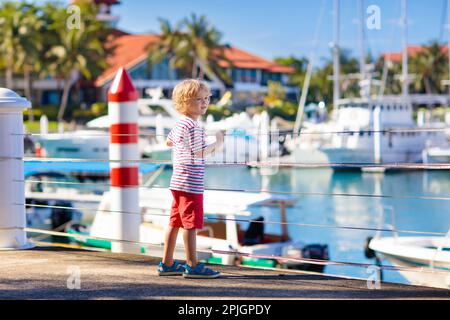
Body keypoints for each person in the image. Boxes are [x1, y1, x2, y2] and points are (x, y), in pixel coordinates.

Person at [157, 79, 224, 279]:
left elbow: (169, 141)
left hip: (178, 181)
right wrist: (218, 142)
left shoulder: (180, 123)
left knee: (175, 222)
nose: (204, 103)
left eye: (206, 99)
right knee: (190, 224)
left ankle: (167, 263)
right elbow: (200, 153)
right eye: (199, 100)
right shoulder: (194, 126)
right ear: (185, 102)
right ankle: (192, 264)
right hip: (190, 183)